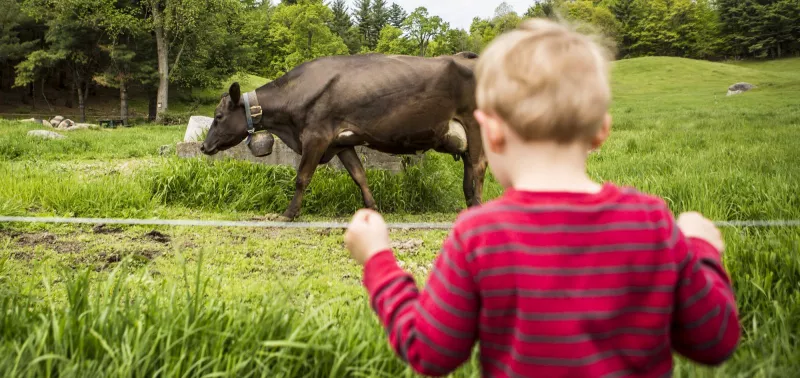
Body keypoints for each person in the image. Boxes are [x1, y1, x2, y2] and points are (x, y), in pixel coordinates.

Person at [344, 18, 740, 378]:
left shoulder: (479, 235)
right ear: (602, 130)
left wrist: (379, 261)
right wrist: (702, 249)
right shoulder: (651, 221)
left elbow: (429, 351)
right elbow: (715, 340)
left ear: (491, 133)